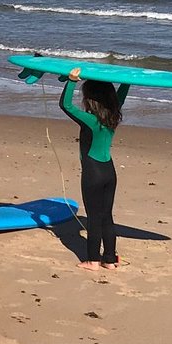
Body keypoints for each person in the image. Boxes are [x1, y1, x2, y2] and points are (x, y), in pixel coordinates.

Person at [60, 67, 130, 271]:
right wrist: (127, 79)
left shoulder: (90, 120)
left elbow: (65, 105)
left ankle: (92, 261)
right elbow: (121, 96)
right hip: (110, 172)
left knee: (94, 217)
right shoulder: (113, 115)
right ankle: (109, 259)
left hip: (93, 174)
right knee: (106, 215)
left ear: (90, 99)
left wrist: (72, 80)